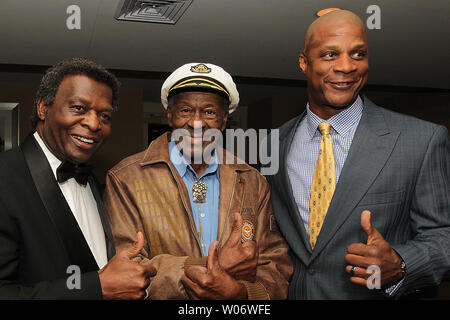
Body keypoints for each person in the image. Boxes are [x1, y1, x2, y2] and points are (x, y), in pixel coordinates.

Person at [266, 10, 450, 299]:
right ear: (304, 62)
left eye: (358, 54)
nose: (346, 66)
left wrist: (401, 264)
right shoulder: (271, 146)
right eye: (330, 54)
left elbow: (444, 237)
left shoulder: (422, 141)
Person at [104, 62, 292, 299]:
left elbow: (274, 263)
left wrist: (241, 294)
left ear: (224, 121)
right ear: (170, 116)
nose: (196, 122)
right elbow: (126, 272)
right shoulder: (126, 178)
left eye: (209, 112)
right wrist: (213, 265)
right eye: (185, 111)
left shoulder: (252, 180)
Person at [0, 58, 156, 299]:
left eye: (104, 116)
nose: (94, 124)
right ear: (43, 108)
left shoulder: (91, 181)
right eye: (78, 109)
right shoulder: (6, 175)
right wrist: (97, 288)